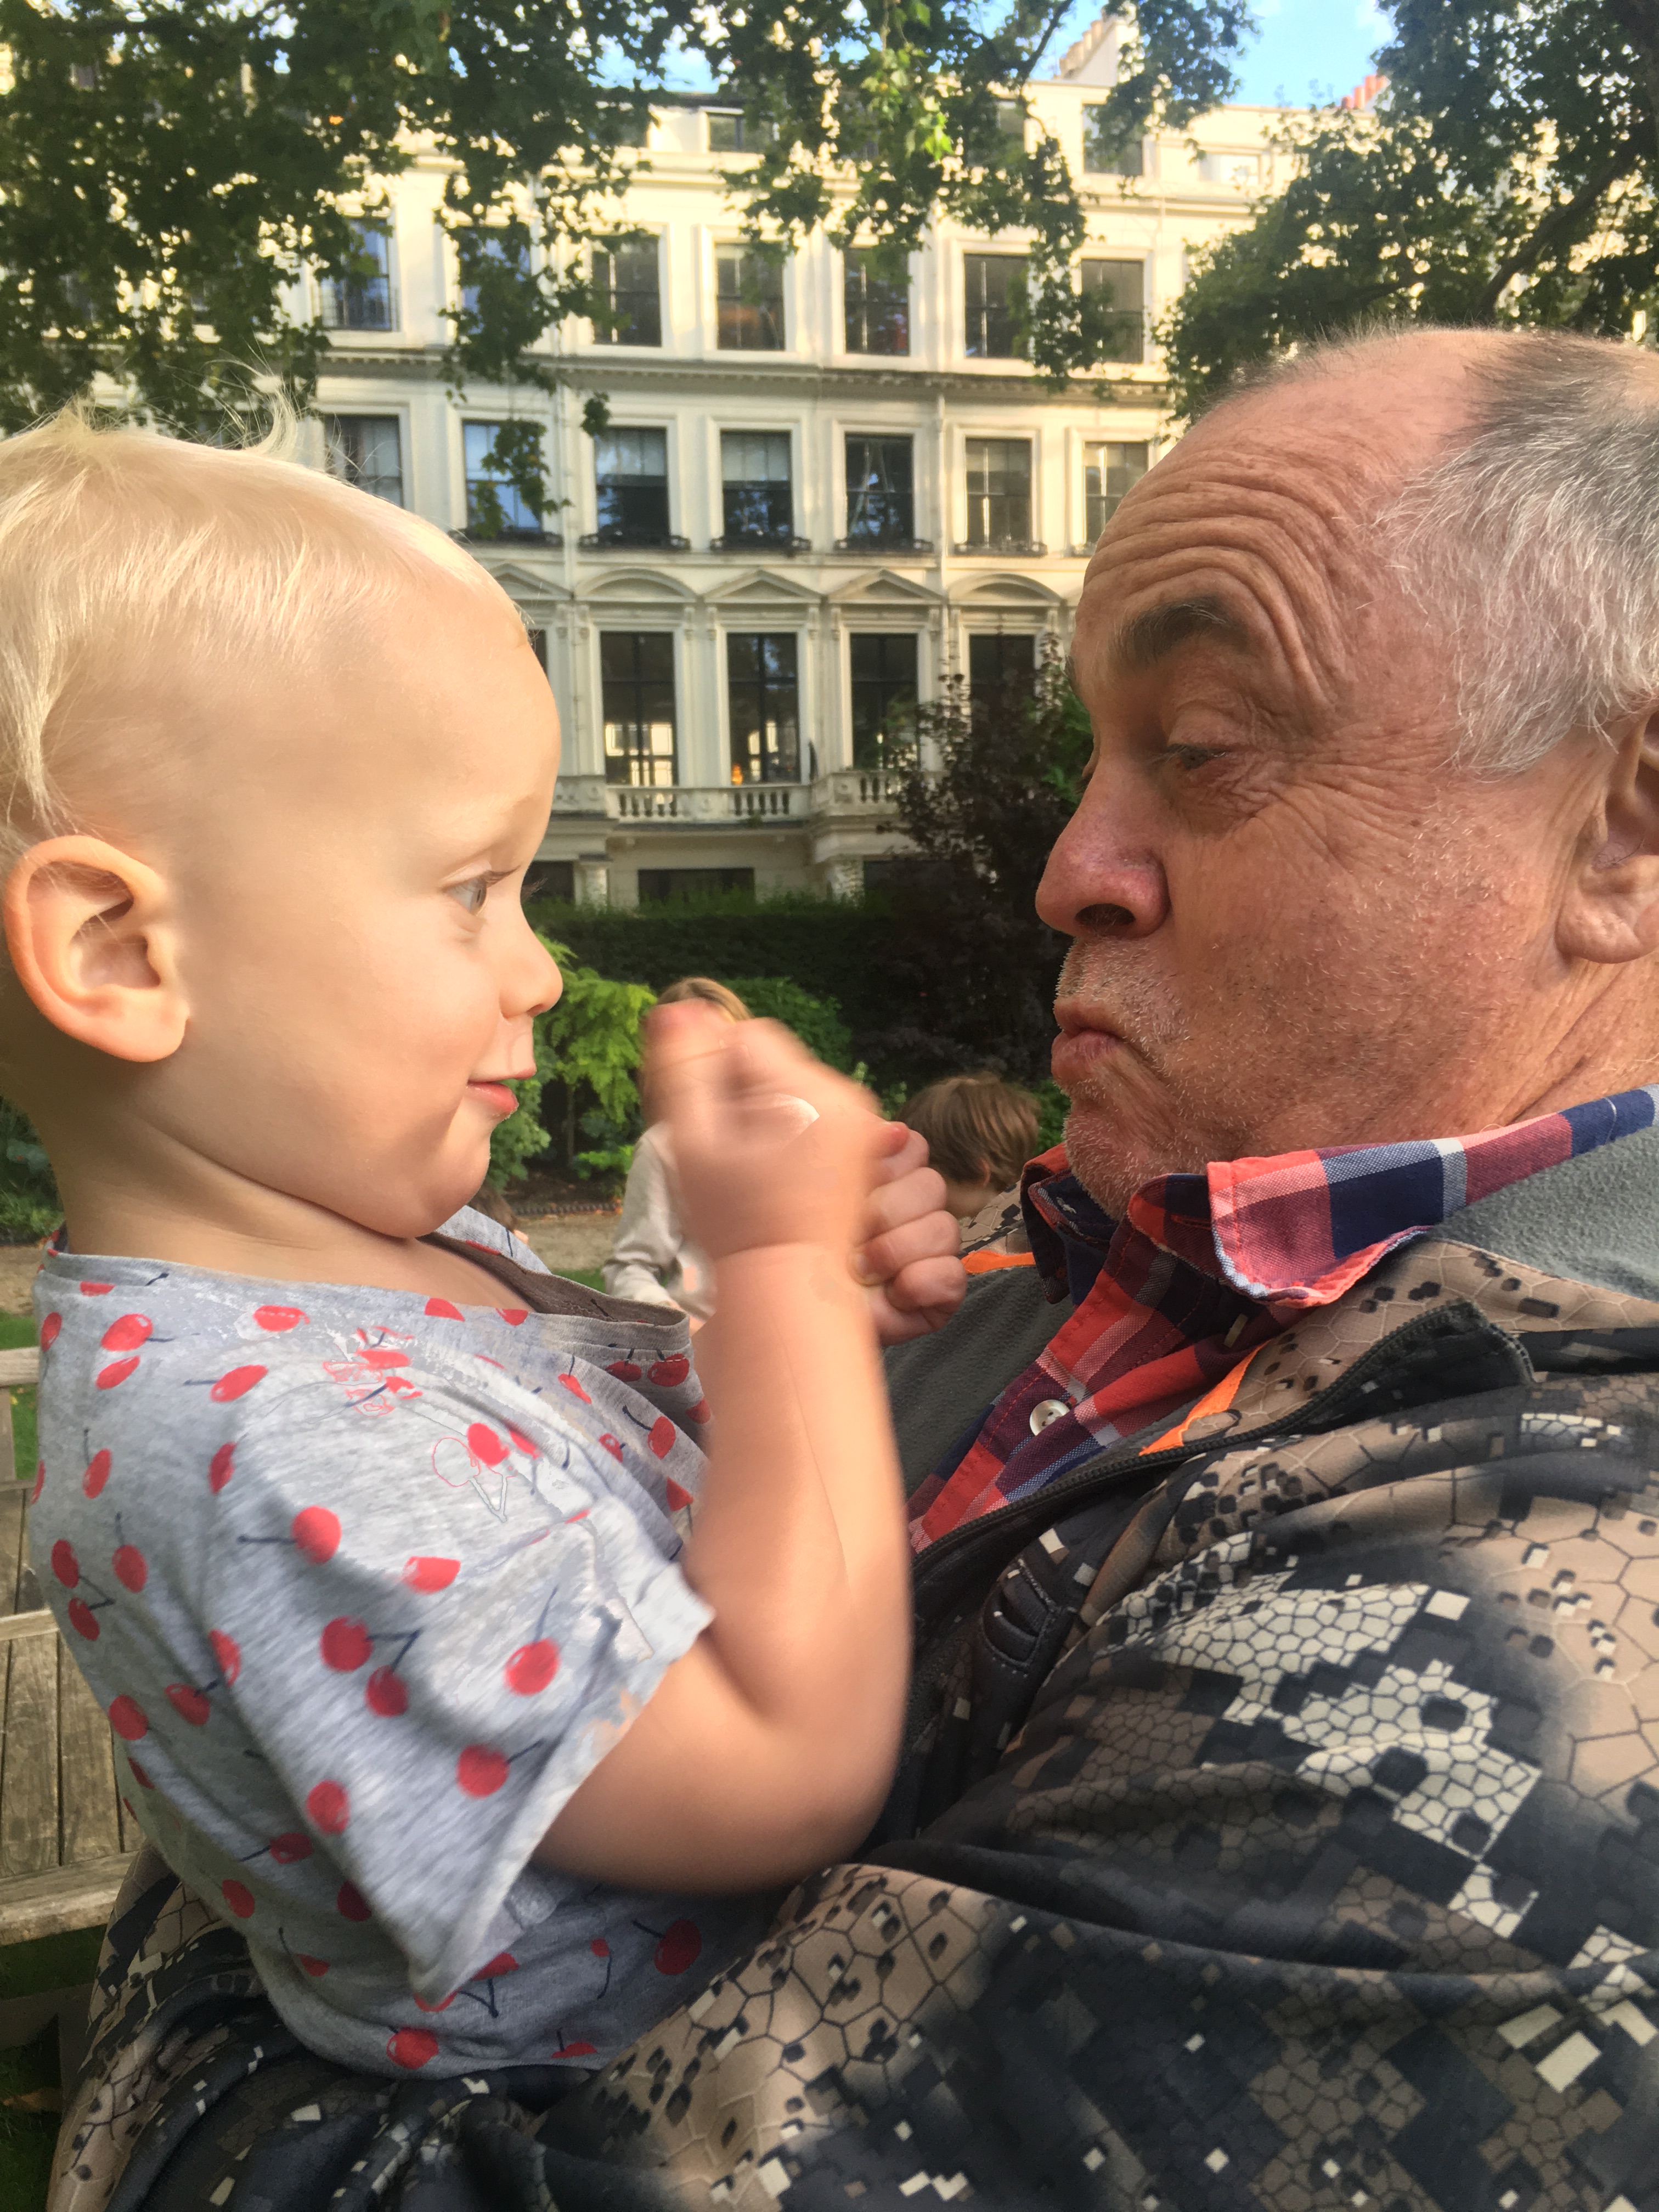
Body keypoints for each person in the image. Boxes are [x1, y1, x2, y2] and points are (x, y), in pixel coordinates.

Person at [48, 325, 1659, 2212]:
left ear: (1623, 822)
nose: (1066, 867)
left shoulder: (1541, 1610)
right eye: (468, 889)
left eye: (1204, 748)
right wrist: (796, 1323)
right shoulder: (1083, 1282)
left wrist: (785, 1300)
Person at [0, 409, 964, 2102]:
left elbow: (613, 1527)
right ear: (120, 952)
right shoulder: (275, 1436)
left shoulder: (380, 1272)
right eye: (472, 890)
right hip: (680, 2126)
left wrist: (778, 1332)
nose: (538, 971)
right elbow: (781, 1767)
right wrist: (788, 1287)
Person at [603, 977, 754, 1323]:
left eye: (723, 1042)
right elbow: (630, 1269)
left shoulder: (795, 1124)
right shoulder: (662, 1147)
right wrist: (681, 1326)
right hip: (710, 1341)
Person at [899, 1070, 1041, 1227]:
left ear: (978, 1172)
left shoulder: (1013, 1238)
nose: (911, 1188)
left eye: (926, 1179)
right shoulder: (1031, 1220)